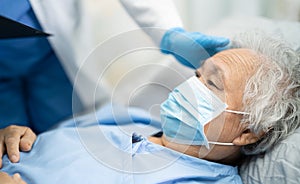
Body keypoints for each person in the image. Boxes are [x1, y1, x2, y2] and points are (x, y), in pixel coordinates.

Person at [0, 31, 299, 184]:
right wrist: (18, 140)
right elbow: (46, 152)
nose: (189, 86)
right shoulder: (127, 117)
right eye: (196, 74)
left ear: (247, 133)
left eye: (212, 84)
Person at [0, 0, 229, 134]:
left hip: (53, 54)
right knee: (13, 149)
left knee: (61, 134)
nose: (197, 83)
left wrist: (169, 33)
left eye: (213, 82)